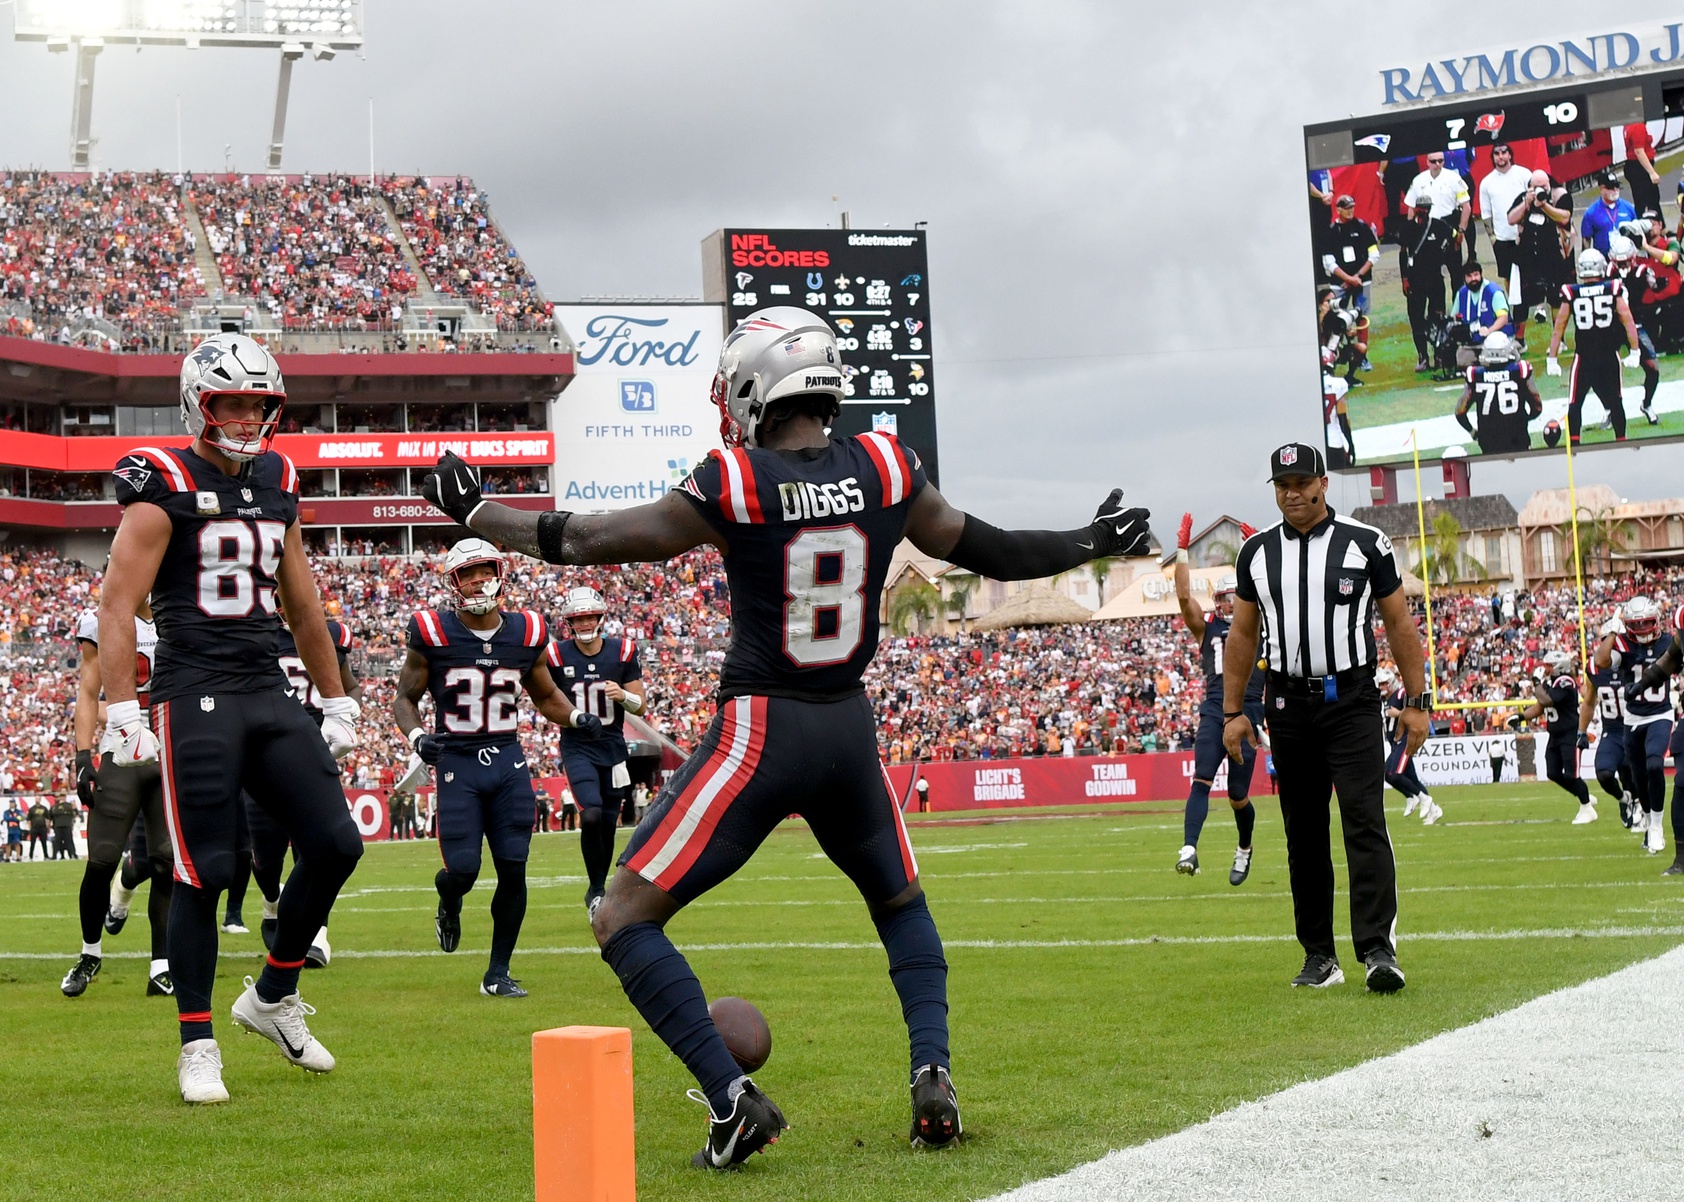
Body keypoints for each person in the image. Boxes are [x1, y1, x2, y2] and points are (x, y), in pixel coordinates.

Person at [419, 305, 1152, 1166]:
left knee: (621, 916)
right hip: (847, 727)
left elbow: (588, 540)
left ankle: (732, 1102)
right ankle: (934, 1074)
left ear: (756, 388)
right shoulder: (886, 465)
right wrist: (1090, 541)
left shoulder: (736, 479)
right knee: (902, 906)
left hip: (760, 729)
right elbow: (985, 547)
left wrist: (476, 511)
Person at [99, 332, 364, 1104]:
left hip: (264, 682)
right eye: (232, 402)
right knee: (204, 870)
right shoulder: (164, 479)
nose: (247, 417)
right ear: (197, 403)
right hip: (193, 687)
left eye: (259, 403)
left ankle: (273, 995)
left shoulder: (279, 476)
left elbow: (303, 601)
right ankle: (196, 1041)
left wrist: (337, 695)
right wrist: (121, 706)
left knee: (336, 844)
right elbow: (117, 602)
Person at [1222, 443, 1428, 993]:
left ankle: (1377, 949)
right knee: (1303, 832)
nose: (1292, 493)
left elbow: (1399, 625)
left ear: (1323, 484)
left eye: (1302, 482)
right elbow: (1242, 635)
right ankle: (1319, 955)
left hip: (1352, 698)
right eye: (1282, 484)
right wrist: (1234, 711)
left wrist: (1417, 701)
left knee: (1364, 820)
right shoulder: (1256, 553)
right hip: (1287, 704)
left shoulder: (1366, 544)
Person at [392, 537, 581, 998]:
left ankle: (498, 972)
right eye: (466, 573)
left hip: (508, 760)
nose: (478, 579)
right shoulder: (431, 631)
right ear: (453, 583)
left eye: (484, 569)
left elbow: (547, 695)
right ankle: (448, 900)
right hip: (457, 761)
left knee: (513, 869)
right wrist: (418, 737)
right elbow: (405, 699)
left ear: (500, 574)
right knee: (462, 870)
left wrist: (578, 717)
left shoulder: (528, 630)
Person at [61, 599, 174, 1000]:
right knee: (103, 859)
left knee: (165, 862)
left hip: (171, 749)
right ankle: (90, 953)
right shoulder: (101, 619)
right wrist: (81, 756)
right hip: (119, 748)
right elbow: (89, 689)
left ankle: (161, 964)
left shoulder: (176, 612)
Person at [246, 600, 360, 962]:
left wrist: (343, 716)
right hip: (263, 751)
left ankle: (318, 935)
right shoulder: (250, 635)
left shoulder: (329, 634)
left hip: (312, 746)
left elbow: (349, 686)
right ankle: (271, 900)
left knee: (318, 847)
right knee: (265, 858)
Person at [1171, 514, 1263, 884]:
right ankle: (1189, 847)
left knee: (1238, 796)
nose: (1229, 605)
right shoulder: (1206, 628)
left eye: (1234, 597)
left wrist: (1258, 551)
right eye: (1224, 599)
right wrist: (1181, 550)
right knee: (1202, 779)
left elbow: (1276, 592)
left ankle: (1244, 848)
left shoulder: (1261, 623)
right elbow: (1181, 596)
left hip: (1250, 712)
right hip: (1213, 711)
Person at [547, 585, 646, 917]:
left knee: (606, 822)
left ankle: (596, 887)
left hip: (614, 747)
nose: (585, 623)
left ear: (600, 617)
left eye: (590, 616)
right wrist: (574, 717)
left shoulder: (622, 651)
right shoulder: (556, 655)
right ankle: (598, 889)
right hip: (578, 746)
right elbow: (545, 699)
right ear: (569, 622)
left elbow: (641, 706)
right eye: (578, 618)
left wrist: (623, 697)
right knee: (589, 814)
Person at [1597, 595, 1673, 856]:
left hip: (1660, 713)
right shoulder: (1624, 643)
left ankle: (1657, 826)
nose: (1642, 630)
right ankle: (1648, 817)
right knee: (1639, 775)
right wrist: (1613, 630)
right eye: (1636, 625)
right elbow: (1601, 662)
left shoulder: (1668, 641)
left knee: (1654, 764)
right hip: (1632, 718)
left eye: (1646, 623)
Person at [1548, 249, 1642, 444]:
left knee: (1575, 403)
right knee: (1616, 400)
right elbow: (1628, 320)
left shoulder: (1572, 291)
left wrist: (1552, 357)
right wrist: (1635, 350)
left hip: (1584, 356)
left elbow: (1560, 325)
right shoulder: (1612, 287)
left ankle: (1575, 445)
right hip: (1609, 354)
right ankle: (1621, 441)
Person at [1620, 601, 1684, 871]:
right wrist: (1641, 685)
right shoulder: (1682, 619)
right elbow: (1671, 656)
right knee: (1681, 786)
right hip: (1646, 718)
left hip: (1660, 714)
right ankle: (1681, 860)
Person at [1510, 651, 1595, 822]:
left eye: (1549, 666)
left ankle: (1587, 808)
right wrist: (1521, 717)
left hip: (1571, 734)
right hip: (1555, 735)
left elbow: (1547, 700)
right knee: (1553, 772)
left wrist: (1535, 682)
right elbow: (1541, 706)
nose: (1546, 669)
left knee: (1572, 774)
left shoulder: (1566, 682)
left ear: (1558, 666)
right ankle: (1582, 794)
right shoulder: (1551, 683)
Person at [1507, 170, 1573, 349]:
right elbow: (1511, 219)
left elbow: (1565, 217)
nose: (1540, 190)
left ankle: (1559, 340)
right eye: (1536, 187)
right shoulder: (1524, 197)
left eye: (1543, 187)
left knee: (1556, 299)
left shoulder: (1560, 195)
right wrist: (1526, 204)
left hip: (1553, 256)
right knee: (1521, 301)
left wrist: (1544, 205)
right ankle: (1519, 340)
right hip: (1527, 257)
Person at [1606, 235, 1663, 426]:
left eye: (1625, 261)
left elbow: (1652, 282)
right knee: (1606, 369)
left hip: (1635, 325)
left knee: (1653, 368)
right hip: (1612, 326)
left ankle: (1647, 404)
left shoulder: (1642, 271)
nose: (1622, 266)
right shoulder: (1607, 271)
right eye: (1619, 262)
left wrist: (1658, 285)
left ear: (1633, 257)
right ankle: (1609, 409)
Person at [1397, 195, 1459, 371]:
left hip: (1435, 280)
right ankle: (1422, 356)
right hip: (1415, 281)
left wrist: (1446, 251)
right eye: (1421, 207)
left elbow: (1454, 236)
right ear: (1416, 208)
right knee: (1416, 319)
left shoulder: (1438, 226)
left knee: (1438, 319)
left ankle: (1439, 355)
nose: (1424, 210)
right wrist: (1404, 278)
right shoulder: (1407, 228)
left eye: (1427, 207)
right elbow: (1403, 253)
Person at [1454, 333, 1542, 455]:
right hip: (1517, 436)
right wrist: (1525, 418)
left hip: (1489, 440)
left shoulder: (1475, 374)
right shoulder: (1520, 370)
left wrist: (1472, 431)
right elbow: (1537, 405)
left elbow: (1460, 412)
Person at [1320, 196, 1377, 369]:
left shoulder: (1362, 227)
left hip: (1362, 281)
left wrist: (1357, 276)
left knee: (1362, 317)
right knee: (1336, 318)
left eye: (1352, 207)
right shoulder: (1331, 232)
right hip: (1340, 283)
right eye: (1346, 208)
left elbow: (1373, 255)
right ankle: (1332, 354)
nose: (1350, 210)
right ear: (1338, 209)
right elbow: (1329, 262)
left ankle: (1362, 355)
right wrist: (1348, 278)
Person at [1377, 666, 1438, 823]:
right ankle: (1432, 809)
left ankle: (1421, 798)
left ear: (1392, 682)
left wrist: (1398, 713)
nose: (1383, 687)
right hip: (1394, 742)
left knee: (1392, 774)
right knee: (1411, 779)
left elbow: (1415, 710)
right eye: (1381, 684)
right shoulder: (1384, 700)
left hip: (1404, 740)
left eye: (1385, 683)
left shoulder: (1401, 694)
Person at [1478, 144, 1531, 292]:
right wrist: (1493, 238)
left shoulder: (1524, 174)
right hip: (1503, 239)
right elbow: (1486, 214)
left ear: (1509, 155)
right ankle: (1513, 308)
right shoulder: (1486, 183)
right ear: (1493, 157)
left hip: (1526, 235)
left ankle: (1537, 306)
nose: (1500, 156)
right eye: (1496, 153)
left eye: (1503, 152)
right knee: (1508, 276)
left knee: (1530, 272)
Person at [1405, 151, 1471, 267]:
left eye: (1440, 161)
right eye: (1433, 161)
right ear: (1427, 162)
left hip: (1448, 223)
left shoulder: (1453, 178)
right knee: (1430, 269)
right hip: (1427, 226)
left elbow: (1466, 206)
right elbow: (1411, 208)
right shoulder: (1418, 180)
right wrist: (1410, 231)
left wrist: (1461, 230)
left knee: (1455, 267)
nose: (1437, 164)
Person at [1449, 260, 1510, 356]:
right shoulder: (1461, 294)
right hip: (1471, 343)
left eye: (1476, 274)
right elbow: (1453, 319)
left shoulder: (1493, 292)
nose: (1473, 279)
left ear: (1481, 274)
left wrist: (1489, 330)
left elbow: (1503, 318)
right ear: (1464, 278)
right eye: (1469, 276)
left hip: (1496, 339)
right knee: (1462, 361)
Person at [1581, 171, 1636, 255]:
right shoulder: (1591, 213)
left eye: (1617, 186)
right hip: (1604, 259)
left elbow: (1637, 230)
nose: (1615, 190)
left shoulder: (1629, 208)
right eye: (1611, 187)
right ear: (1602, 189)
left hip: (1628, 257)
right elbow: (1586, 239)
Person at [1622, 123, 1662, 223]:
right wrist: (1652, 172)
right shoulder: (1638, 126)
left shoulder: (1629, 125)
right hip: (1640, 168)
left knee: (1645, 200)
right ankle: (1649, 226)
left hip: (1635, 167)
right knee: (1649, 200)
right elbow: (1639, 151)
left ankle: (1659, 227)